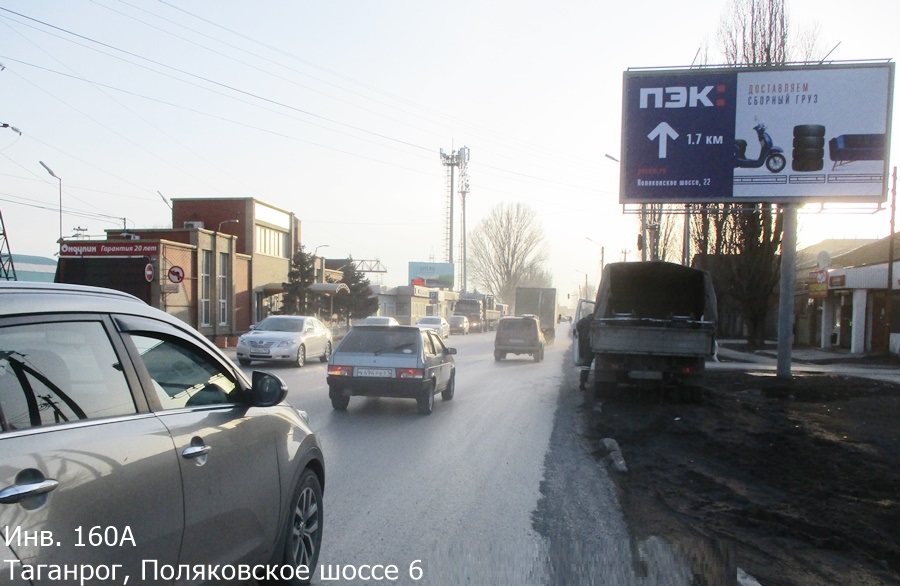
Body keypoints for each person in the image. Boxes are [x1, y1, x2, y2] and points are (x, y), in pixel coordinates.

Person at [575, 314, 593, 391]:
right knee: (587, 364)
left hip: (588, 343)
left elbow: (578, 325)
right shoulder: (598, 318)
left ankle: (582, 382)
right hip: (592, 343)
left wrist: (582, 334)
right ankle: (583, 382)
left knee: (586, 364)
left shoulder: (586, 320)